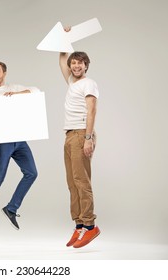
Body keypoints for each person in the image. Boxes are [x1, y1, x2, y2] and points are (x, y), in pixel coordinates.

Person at [0, 61, 38, 232]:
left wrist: (17, 94)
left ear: (4, 72)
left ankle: (11, 208)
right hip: (0, 141)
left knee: (32, 173)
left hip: (18, 138)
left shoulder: (14, 86)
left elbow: (36, 91)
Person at [59, 27, 101, 248]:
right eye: (73, 63)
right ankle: (79, 226)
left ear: (86, 66)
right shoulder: (72, 82)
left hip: (80, 134)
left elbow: (92, 110)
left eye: (80, 63)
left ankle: (91, 226)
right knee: (71, 183)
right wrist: (65, 39)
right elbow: (62, 56)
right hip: (69, 135)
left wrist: (88, 138)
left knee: (81, 181)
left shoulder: (88, 83)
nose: (75, 65)